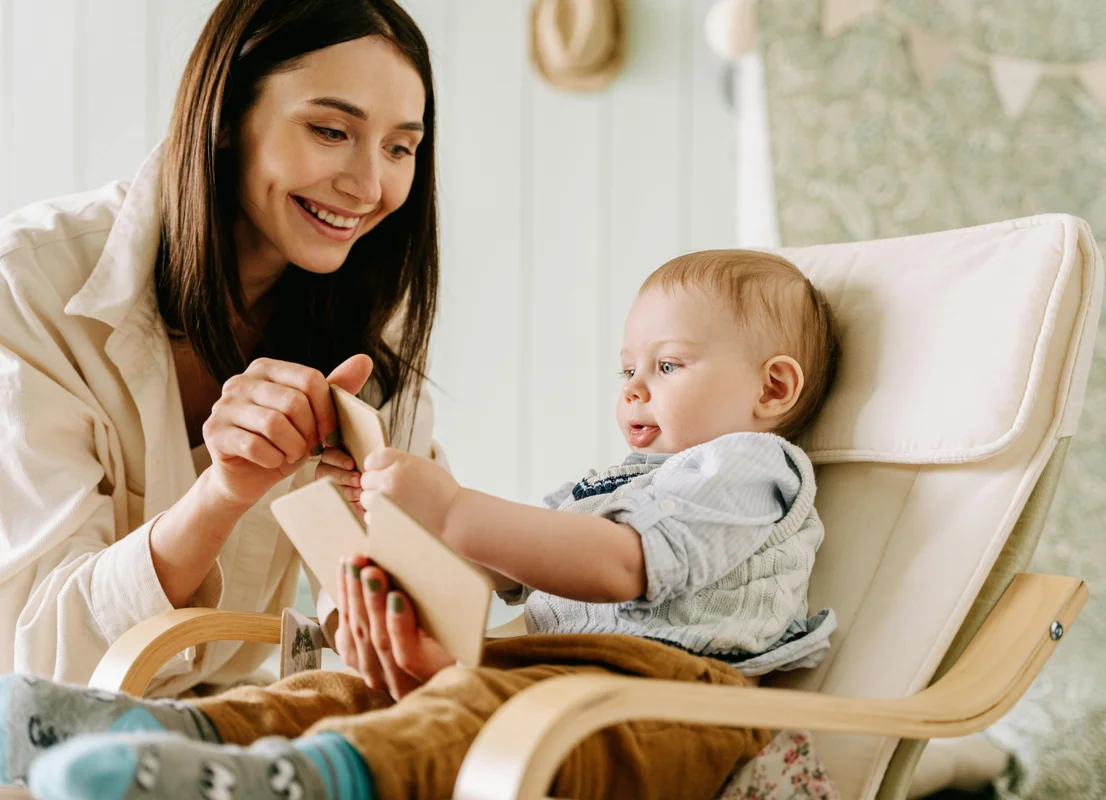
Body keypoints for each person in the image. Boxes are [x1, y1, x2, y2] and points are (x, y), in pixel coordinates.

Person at [3, 250, 843, 800]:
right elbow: (507, 565)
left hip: (672, 700)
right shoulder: (618, 478)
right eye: (627, 369)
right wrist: (396, 531)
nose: (631, 390)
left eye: (666, 366)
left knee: (459, 718)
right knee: (348, 689)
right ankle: (161, 735)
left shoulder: (751, 466)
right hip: (551, 670)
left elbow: (623, 565)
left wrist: (450, 507)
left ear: (772, 389)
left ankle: (297, 782)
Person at [0, 0, 444, 691]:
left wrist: (379, 553)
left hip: (219, 737)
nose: (369, 186)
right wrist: (222, 495)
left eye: (399, 147)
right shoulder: (29, 283)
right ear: (228, 116)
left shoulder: (364, 340)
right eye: (332, 131)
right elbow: (43, 661)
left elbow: (406, 645)